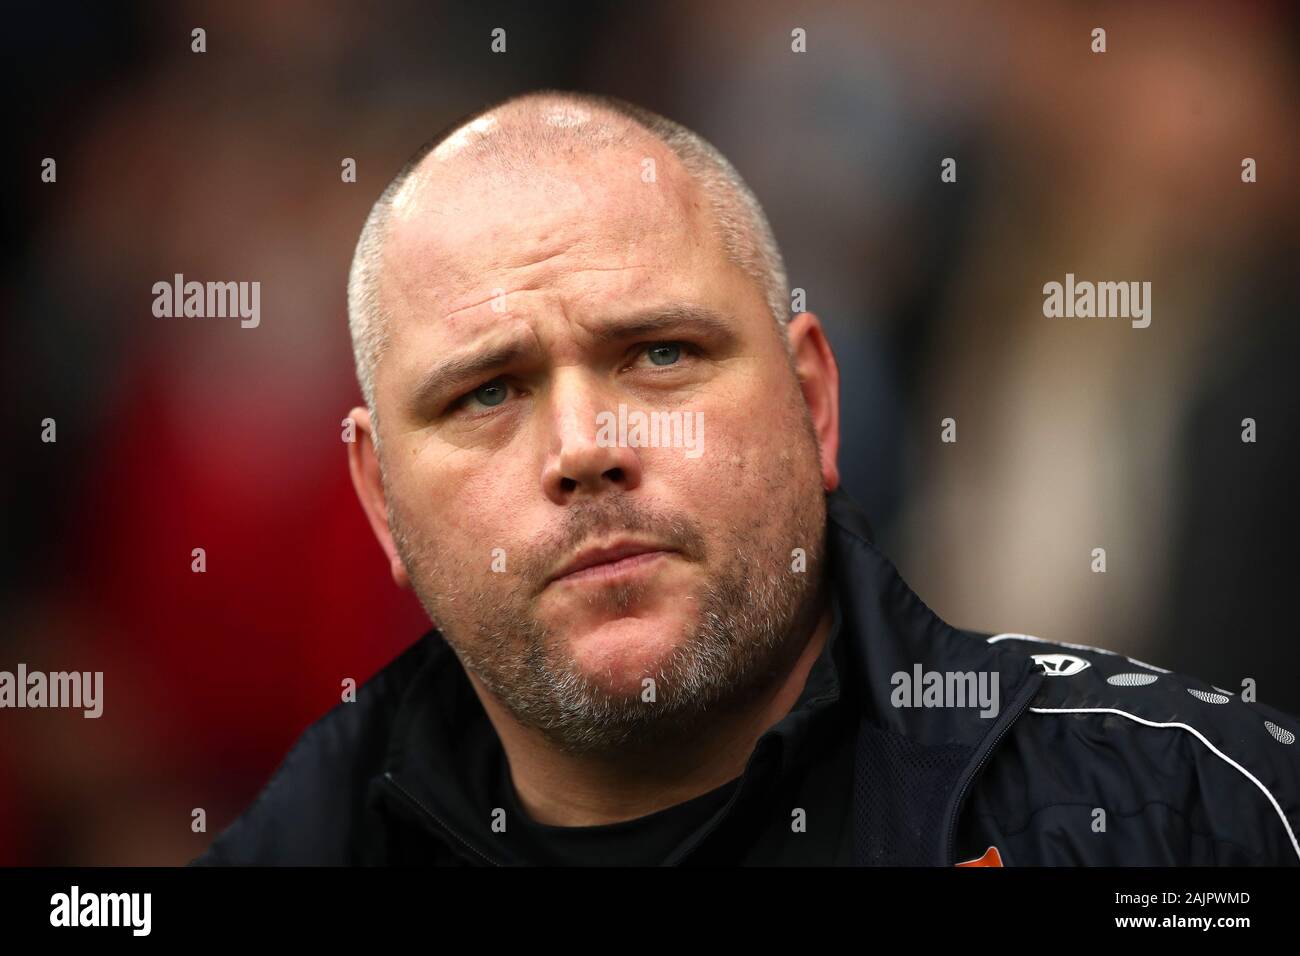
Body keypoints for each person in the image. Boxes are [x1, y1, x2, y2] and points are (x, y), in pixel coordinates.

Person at [194, 90, 1300, 866]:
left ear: (814, 402)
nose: (584, 445)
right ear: (380, 496)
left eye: (659, 353)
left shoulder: (1191, 814)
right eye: (486, 391)